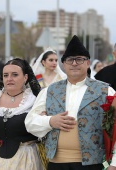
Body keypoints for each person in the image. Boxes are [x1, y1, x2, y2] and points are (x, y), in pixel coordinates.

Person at [25, 35, 116, 170]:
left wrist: (114, 164)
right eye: (70, 60)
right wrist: (50, 121)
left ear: (87, 63)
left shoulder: (106, 91)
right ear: (64, 64)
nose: (74, 63)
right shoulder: (49, 91)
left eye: (79, 59)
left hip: (92, 165)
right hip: (56, 165)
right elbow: (30, 123)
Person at [0, 58, 44, 170]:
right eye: (6, 75)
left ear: (25, 77)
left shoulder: (34, 101)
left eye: (15, 75)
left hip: (25, 159)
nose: (9, 79)